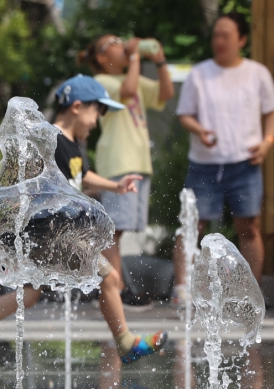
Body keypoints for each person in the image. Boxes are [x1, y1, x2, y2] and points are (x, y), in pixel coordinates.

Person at [0, 75, 168, 372]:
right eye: (97, 113)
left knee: (31, 293)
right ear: (77, 107)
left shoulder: (73, 145)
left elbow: (82, 177)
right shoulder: (54, 140)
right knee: (110, 279)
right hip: (52, 233)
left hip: (51, 234)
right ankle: (125, 343)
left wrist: (115, 186)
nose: (97, 122)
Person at [172, 12, 274, 305]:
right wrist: (200, 130)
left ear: (241, 40)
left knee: (249, 226)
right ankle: (182, 288)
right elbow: (185, 115)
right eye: (215, 35)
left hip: (245, 162)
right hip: (205, 161)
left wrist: (267, 142)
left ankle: (250, 293)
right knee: (192, 224)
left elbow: (272, 112)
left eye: (225, 36)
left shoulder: (257, 73)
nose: (218, 41)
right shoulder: (199, 73)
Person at [79, 35, 174, 310]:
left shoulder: (127, 76)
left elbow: (164, 94)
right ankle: (115, 291)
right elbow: (129, 91)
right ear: (100, 57)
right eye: (115, 42)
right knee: (114, 231)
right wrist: (135, 57)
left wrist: (160, 61)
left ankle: (115, 287)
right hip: (119, 162)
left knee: (118, 231)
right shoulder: (102, 82)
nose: (123, 44)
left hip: (136, 162)